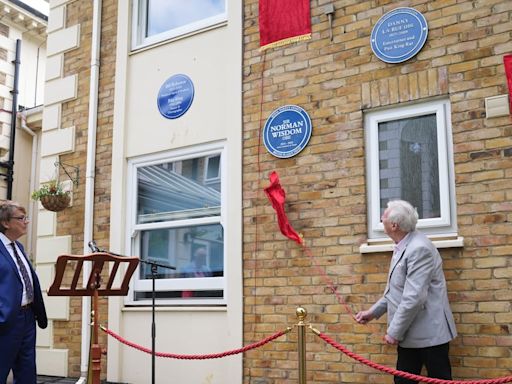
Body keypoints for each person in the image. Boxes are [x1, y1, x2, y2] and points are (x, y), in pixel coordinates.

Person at [355, 199, 457, 384]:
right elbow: (396, 292)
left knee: (440, 380)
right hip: (411, 334)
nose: (381, 218)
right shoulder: (403, 245)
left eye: (384, 216)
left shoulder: (418, 249)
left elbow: (413, 298)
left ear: (394, 225)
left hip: (430, 336)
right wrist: (373, 313)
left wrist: (393, 332)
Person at [0, 200, 47, 384]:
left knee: (27, 373)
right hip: (6, 321)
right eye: (21, 218)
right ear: (6, 223)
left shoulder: (18, 247)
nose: (26, 221)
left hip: (28, 318)